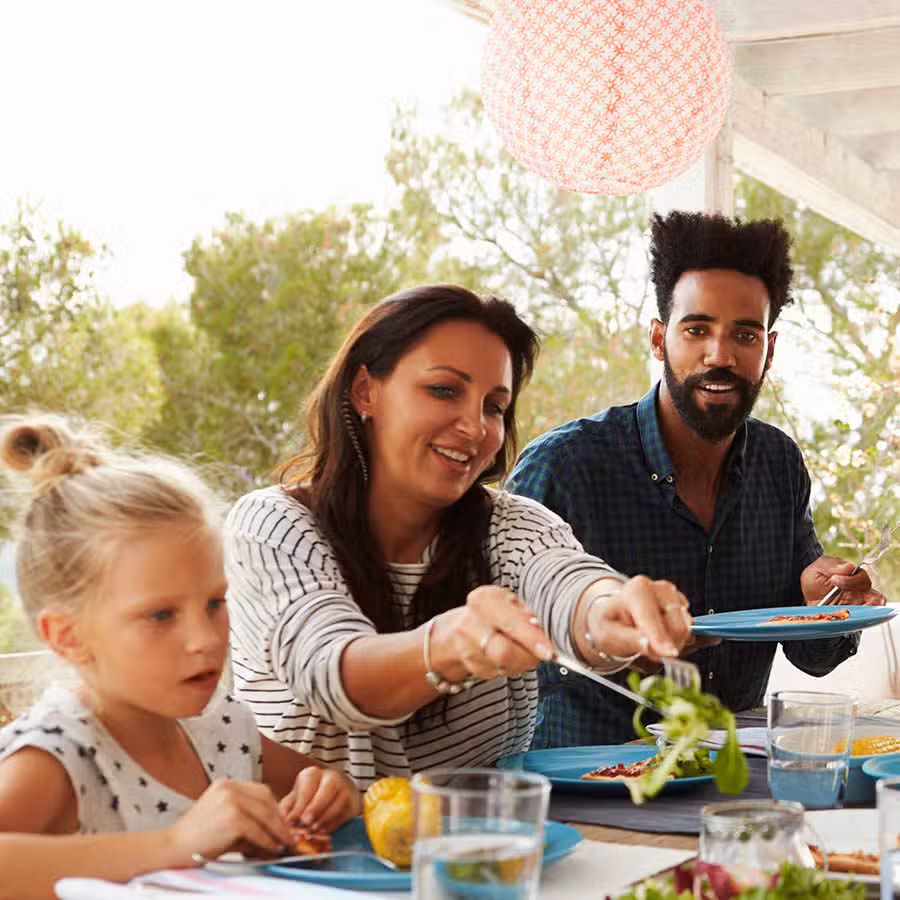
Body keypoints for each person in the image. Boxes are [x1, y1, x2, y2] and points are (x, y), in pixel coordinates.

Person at [225, 284, 693, 786]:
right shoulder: (274, 527)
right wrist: (444, 648)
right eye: (444, 390)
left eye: (494, 406)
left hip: (478, 853)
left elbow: (566, 584)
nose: (475, 427)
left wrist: (610, 609)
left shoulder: (513, 524)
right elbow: (329, 672)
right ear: (365, 390)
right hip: (311, 857)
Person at [506, 211, 885, 749]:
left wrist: (830, 606)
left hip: (730, 777)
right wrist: (605, 642)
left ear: (768, 351)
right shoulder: (564, 466)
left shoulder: (778, 464)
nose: (720, 356)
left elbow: (810, 653)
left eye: (745, 334)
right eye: (697, 329)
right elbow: (503, 649)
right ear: (660, 339)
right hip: (586, 782)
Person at [0, 415, 360, 900]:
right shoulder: (59, 754)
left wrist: (329, 792)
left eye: (215, 603)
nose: (206, 639)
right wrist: (176, 843)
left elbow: (329, 785)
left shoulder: (219, 725)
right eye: (161, 615)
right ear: (68, 637)